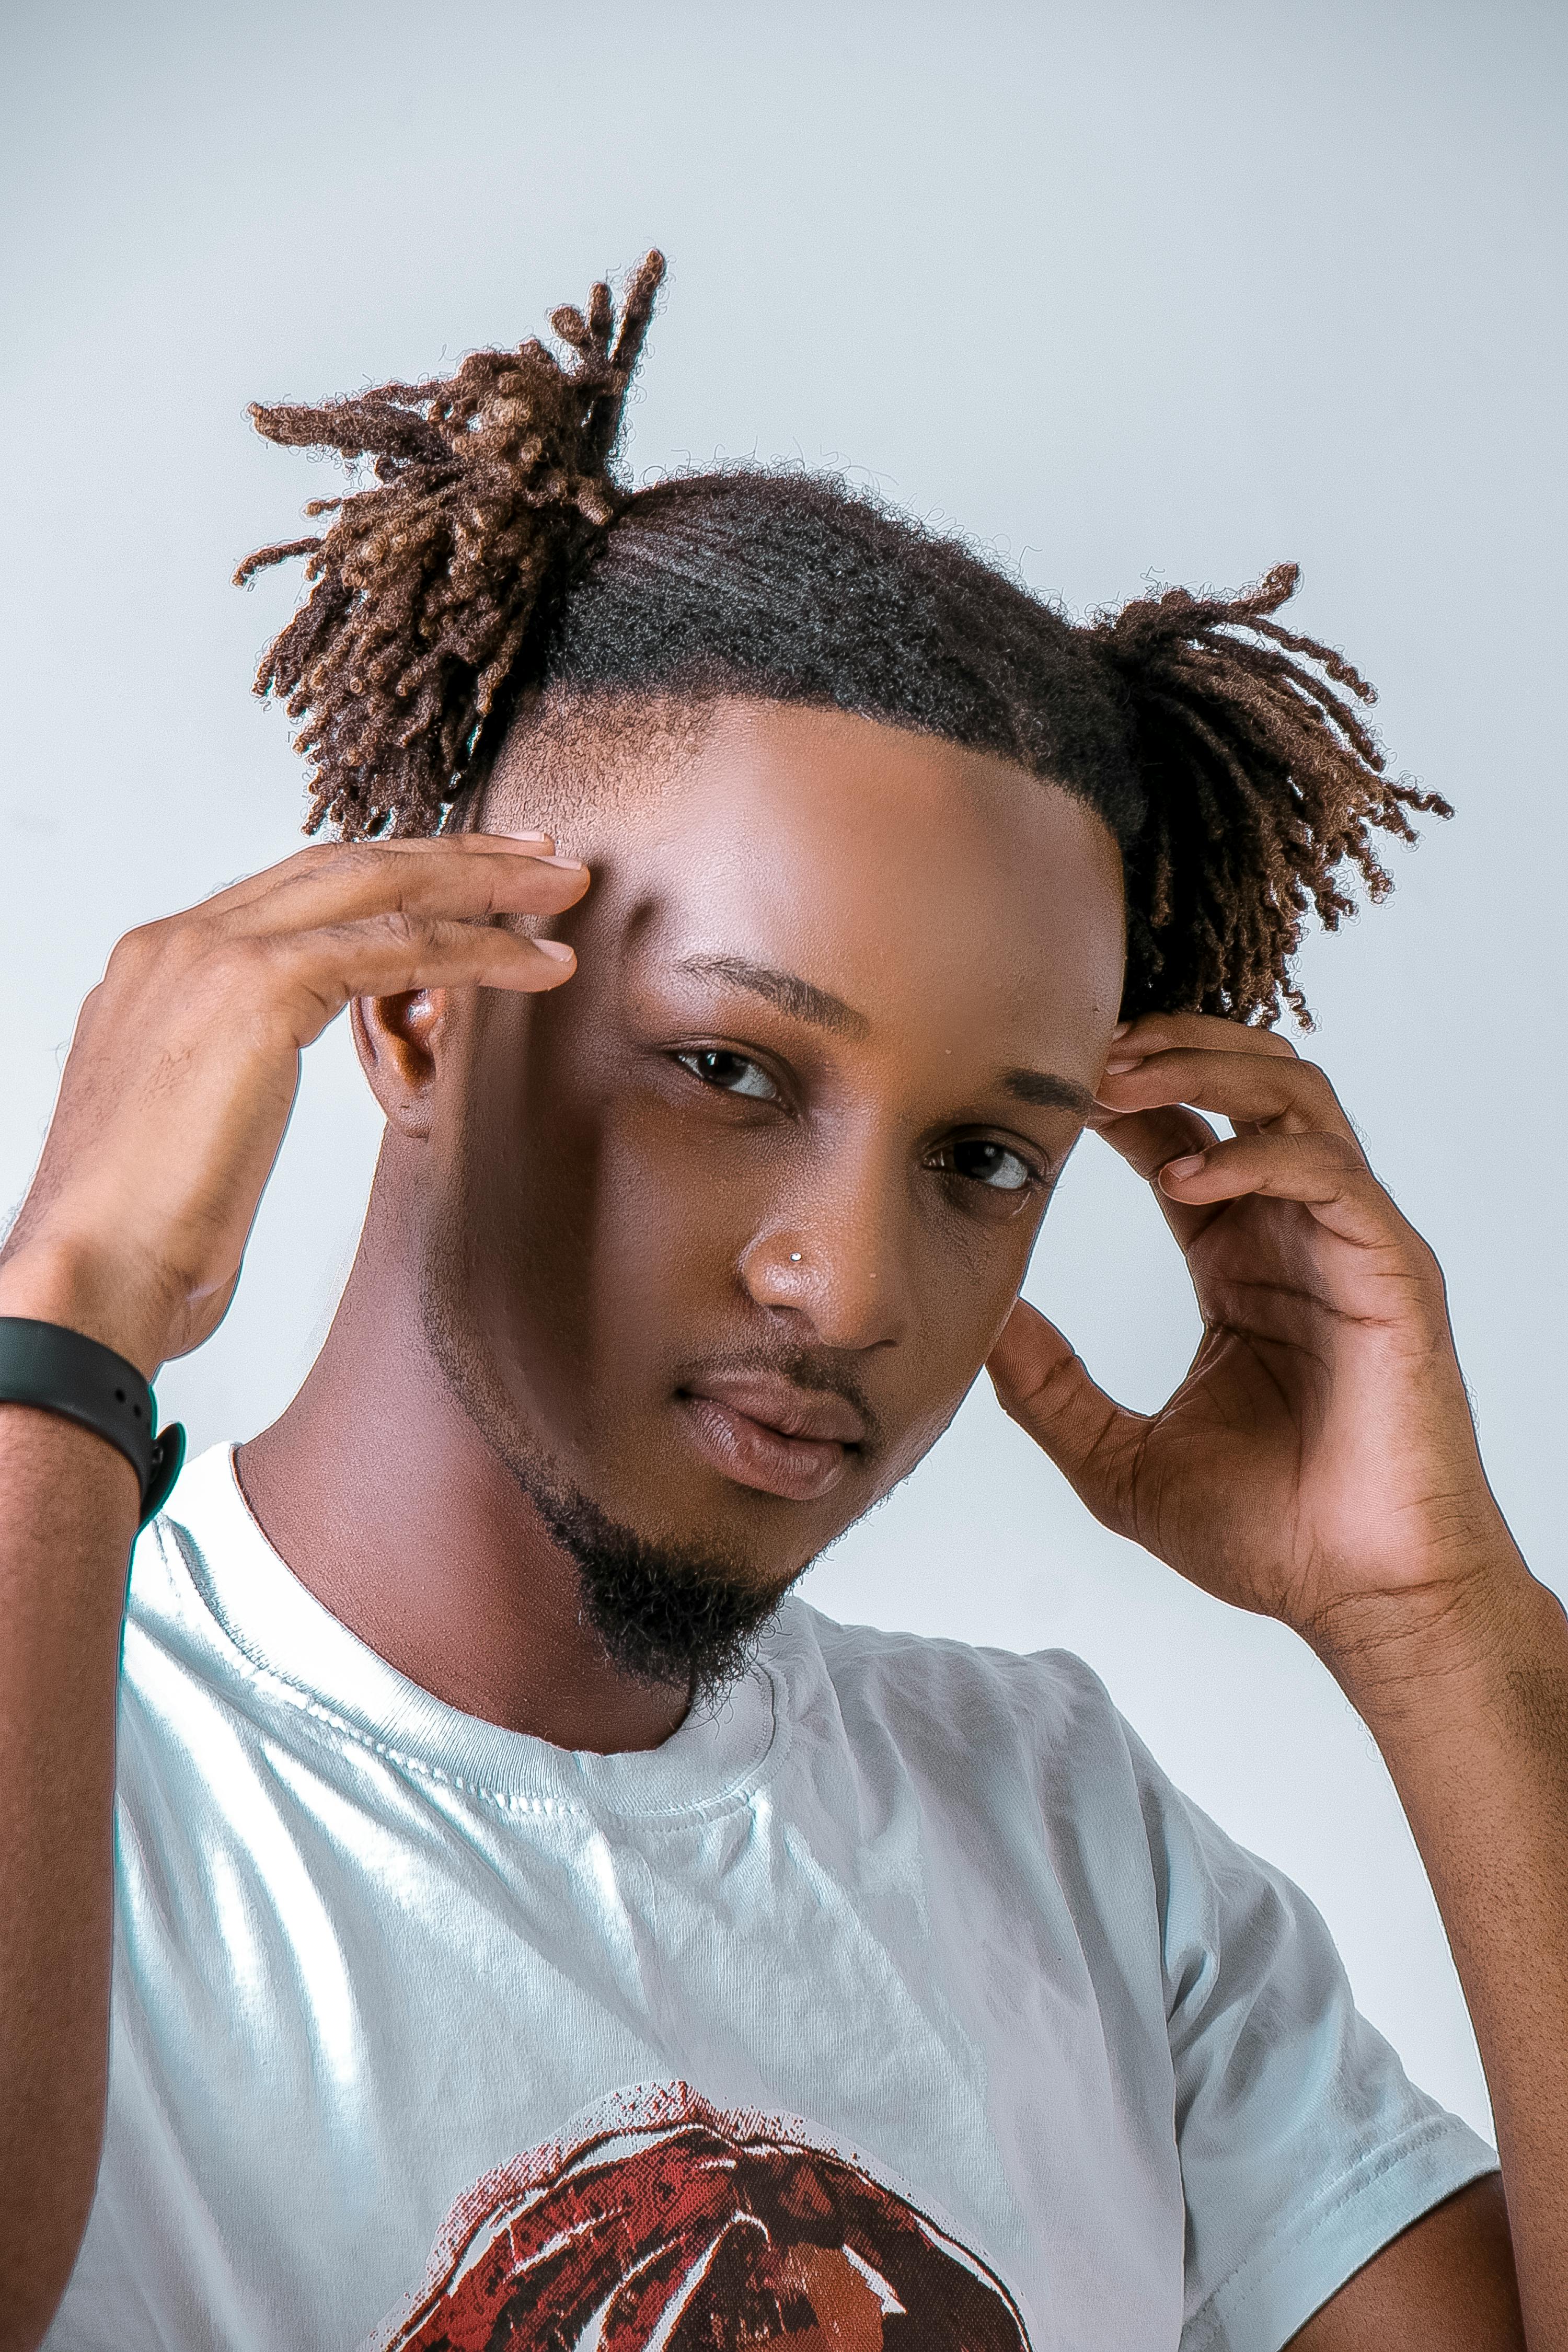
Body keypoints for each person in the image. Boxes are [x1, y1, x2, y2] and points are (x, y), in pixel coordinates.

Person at [0, 251, 1559, 2352]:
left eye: (980, 1159)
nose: (842, 1289)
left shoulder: (1070, 1839)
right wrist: (67, 1324)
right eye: (731, 1072)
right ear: (414, 1015)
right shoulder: (85, 1763)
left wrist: (1438, 1622)